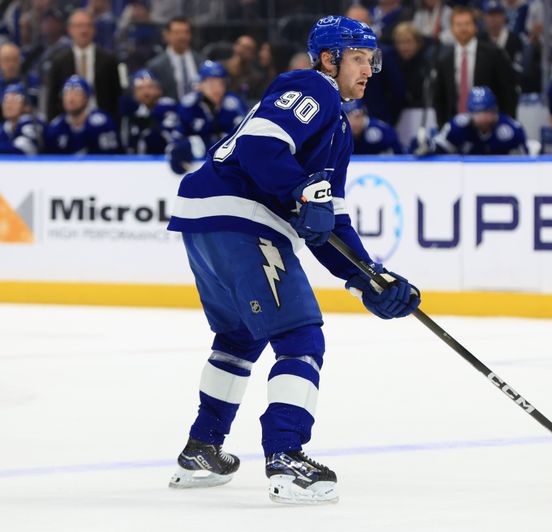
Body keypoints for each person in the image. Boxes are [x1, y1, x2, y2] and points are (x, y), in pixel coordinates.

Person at [165, 15, 420, 504]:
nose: (368, 70)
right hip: (242, 217)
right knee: (300, 336)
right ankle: (286, 456)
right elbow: (261, 146)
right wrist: (301, 191)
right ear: (329, 59)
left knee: (239, 338)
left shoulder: (338, 129)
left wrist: (368, 277)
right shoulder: (313, 87)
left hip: (206, 219)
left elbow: (330, 222)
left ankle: (202, 448)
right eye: (358, 58)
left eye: (371, 60)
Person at [433, 5, 518, 127]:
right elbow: (440, 99)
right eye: (458, 24)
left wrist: (507, 123)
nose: (463, 28)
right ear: (452, 29)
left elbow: (507, 92)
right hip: (456, 126)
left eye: (467, 24)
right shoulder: (444, 60)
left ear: (475, 27)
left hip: (490, 125)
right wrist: (443, 127)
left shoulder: (493, 54)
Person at [167, 60, 247, 174]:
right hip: (197, 169)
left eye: (220, 83)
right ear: (200, 85)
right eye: (210, 83)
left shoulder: (235, 105)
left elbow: (240, 141)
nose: (216, 88)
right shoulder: (189, 106)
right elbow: (176, 141)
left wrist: (200, 144)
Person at [45, 9, 122, 122]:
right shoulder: (59, 62)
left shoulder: (109, 60)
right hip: (69, 123)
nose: (84, 30)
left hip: (102, 121)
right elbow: (52, 99)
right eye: (79, 26)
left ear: (94, 30)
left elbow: (116, 96)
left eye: (88, 25)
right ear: (70, 30)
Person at [432, 85, 528, 155]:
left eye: (486, 111)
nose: (482, 117)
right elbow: (437, 149)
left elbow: (524, 161)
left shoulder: (512, 130)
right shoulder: (457, 127)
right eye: (477, 112)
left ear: (495, 111)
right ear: (470, 113)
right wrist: (427, 146)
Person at [43, 74, 120, 154]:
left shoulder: (102, 124)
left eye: (77, 94)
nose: (71, 99)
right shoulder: (56, 127)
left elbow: (111, 157)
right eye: (66, 94)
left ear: (86, 98)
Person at [120, 69, 180, 154]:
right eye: (140, 88)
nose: (146, 92)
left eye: (150, 87)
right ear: (134, 93)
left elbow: (172, 139)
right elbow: (127, 145)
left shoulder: (169, 108)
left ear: (159, 90)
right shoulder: (132, 114)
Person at [145, 16, 204, 101]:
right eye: (177, 33)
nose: (182, 36)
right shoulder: (155, 66)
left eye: (186, 32)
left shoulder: (202, 62)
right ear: (166, 35)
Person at [0, 83, 43, 155]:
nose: (9, 104)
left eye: (16, 99)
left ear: (27, 106)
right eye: (6, 99)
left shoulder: (33, 123)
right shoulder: (5, 127)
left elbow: (24, 150)